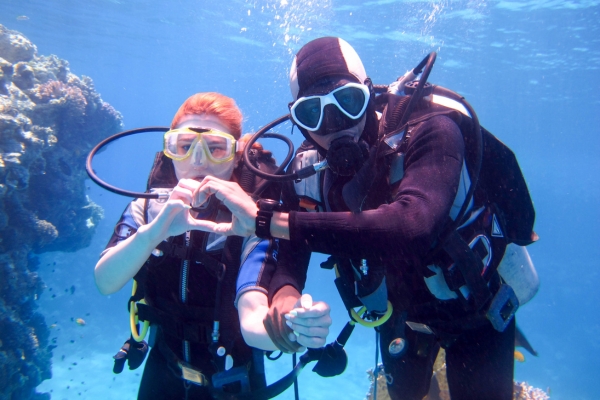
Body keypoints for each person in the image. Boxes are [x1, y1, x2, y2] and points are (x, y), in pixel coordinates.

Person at [189, 38, 538, 400]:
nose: (334, 124)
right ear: (298, 119)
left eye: (348, 102)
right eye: (313, 113)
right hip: (398, 317)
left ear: (369, 95)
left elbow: (412, 225)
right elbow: (291, 257)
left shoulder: (431, 130)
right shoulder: (308, 173)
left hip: (475, 312)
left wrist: (265, 219)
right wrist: (285, 299)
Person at [94, 92, 332, 399]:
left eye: (215, 148)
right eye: (184, 146)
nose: (197, 161)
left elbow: (252, 318)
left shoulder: (250, 220)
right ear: (170, 151)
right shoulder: (146, 209)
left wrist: (290, 329)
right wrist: (154, 233)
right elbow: (105, 281)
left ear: (234, 156)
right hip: (163, 371)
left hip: (232, 382)